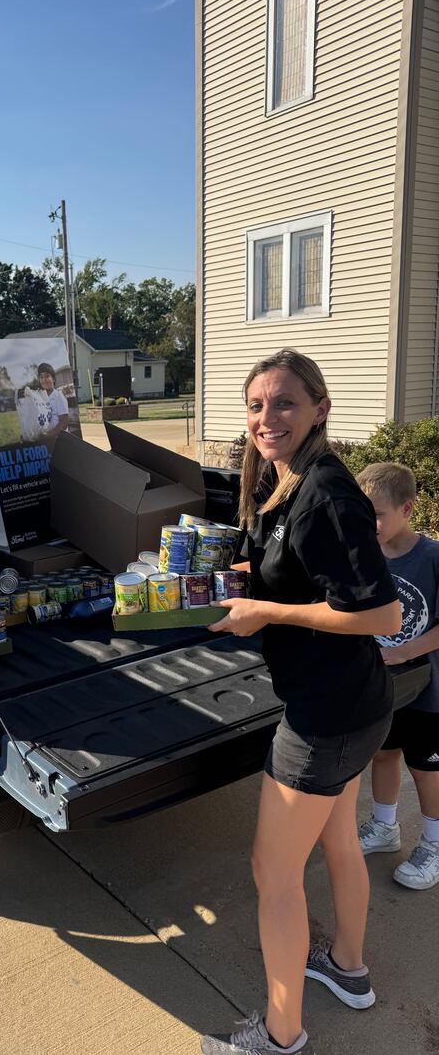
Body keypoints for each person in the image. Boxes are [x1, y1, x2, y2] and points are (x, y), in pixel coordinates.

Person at [200, 350, 401, 1055]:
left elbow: (380, 616)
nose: (266, 418)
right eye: (256, 405)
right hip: (352, 706)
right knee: (339, 837)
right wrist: (244, 578)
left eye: (283, 402)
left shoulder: (327, 492)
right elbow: (299, 570)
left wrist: (266, 611)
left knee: (273, 871)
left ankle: (280, 1034)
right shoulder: (287, 483)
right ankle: (348, 966)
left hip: (326, 716)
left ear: (320, 408)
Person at [355, 463, 439, 890]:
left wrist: (405, 651)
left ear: (406, 509)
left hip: (428, 691)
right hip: (384, 688)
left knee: (426, 768)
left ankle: (435, 842)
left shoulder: (433, 558)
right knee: (383, 754)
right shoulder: (366, 556)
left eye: (377, 515)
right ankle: (385, 827)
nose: (368, 526)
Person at [37, 363, 69, 440]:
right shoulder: (40, 397)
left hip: (58, 439)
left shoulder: (58, 396)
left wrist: (49, 435)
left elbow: (64, 422)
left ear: (53, 379)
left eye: (47, 376)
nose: (44, 380)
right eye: (41, 377)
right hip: (46, 439)